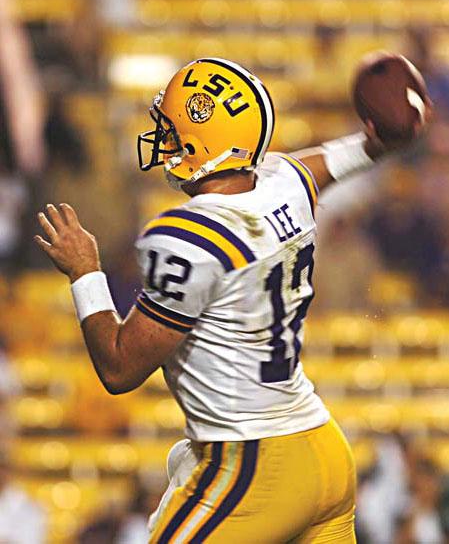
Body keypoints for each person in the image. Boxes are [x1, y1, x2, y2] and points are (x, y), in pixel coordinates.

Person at [34, 58, 430, 543]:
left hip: (253, 465)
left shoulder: (187, 237)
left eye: (173, 130)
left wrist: (84, 272)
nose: (164, 141)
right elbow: (322, 164)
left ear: (202, 142)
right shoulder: (284, 184)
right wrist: (379, 143)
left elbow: (120, 369)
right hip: (322, 449)